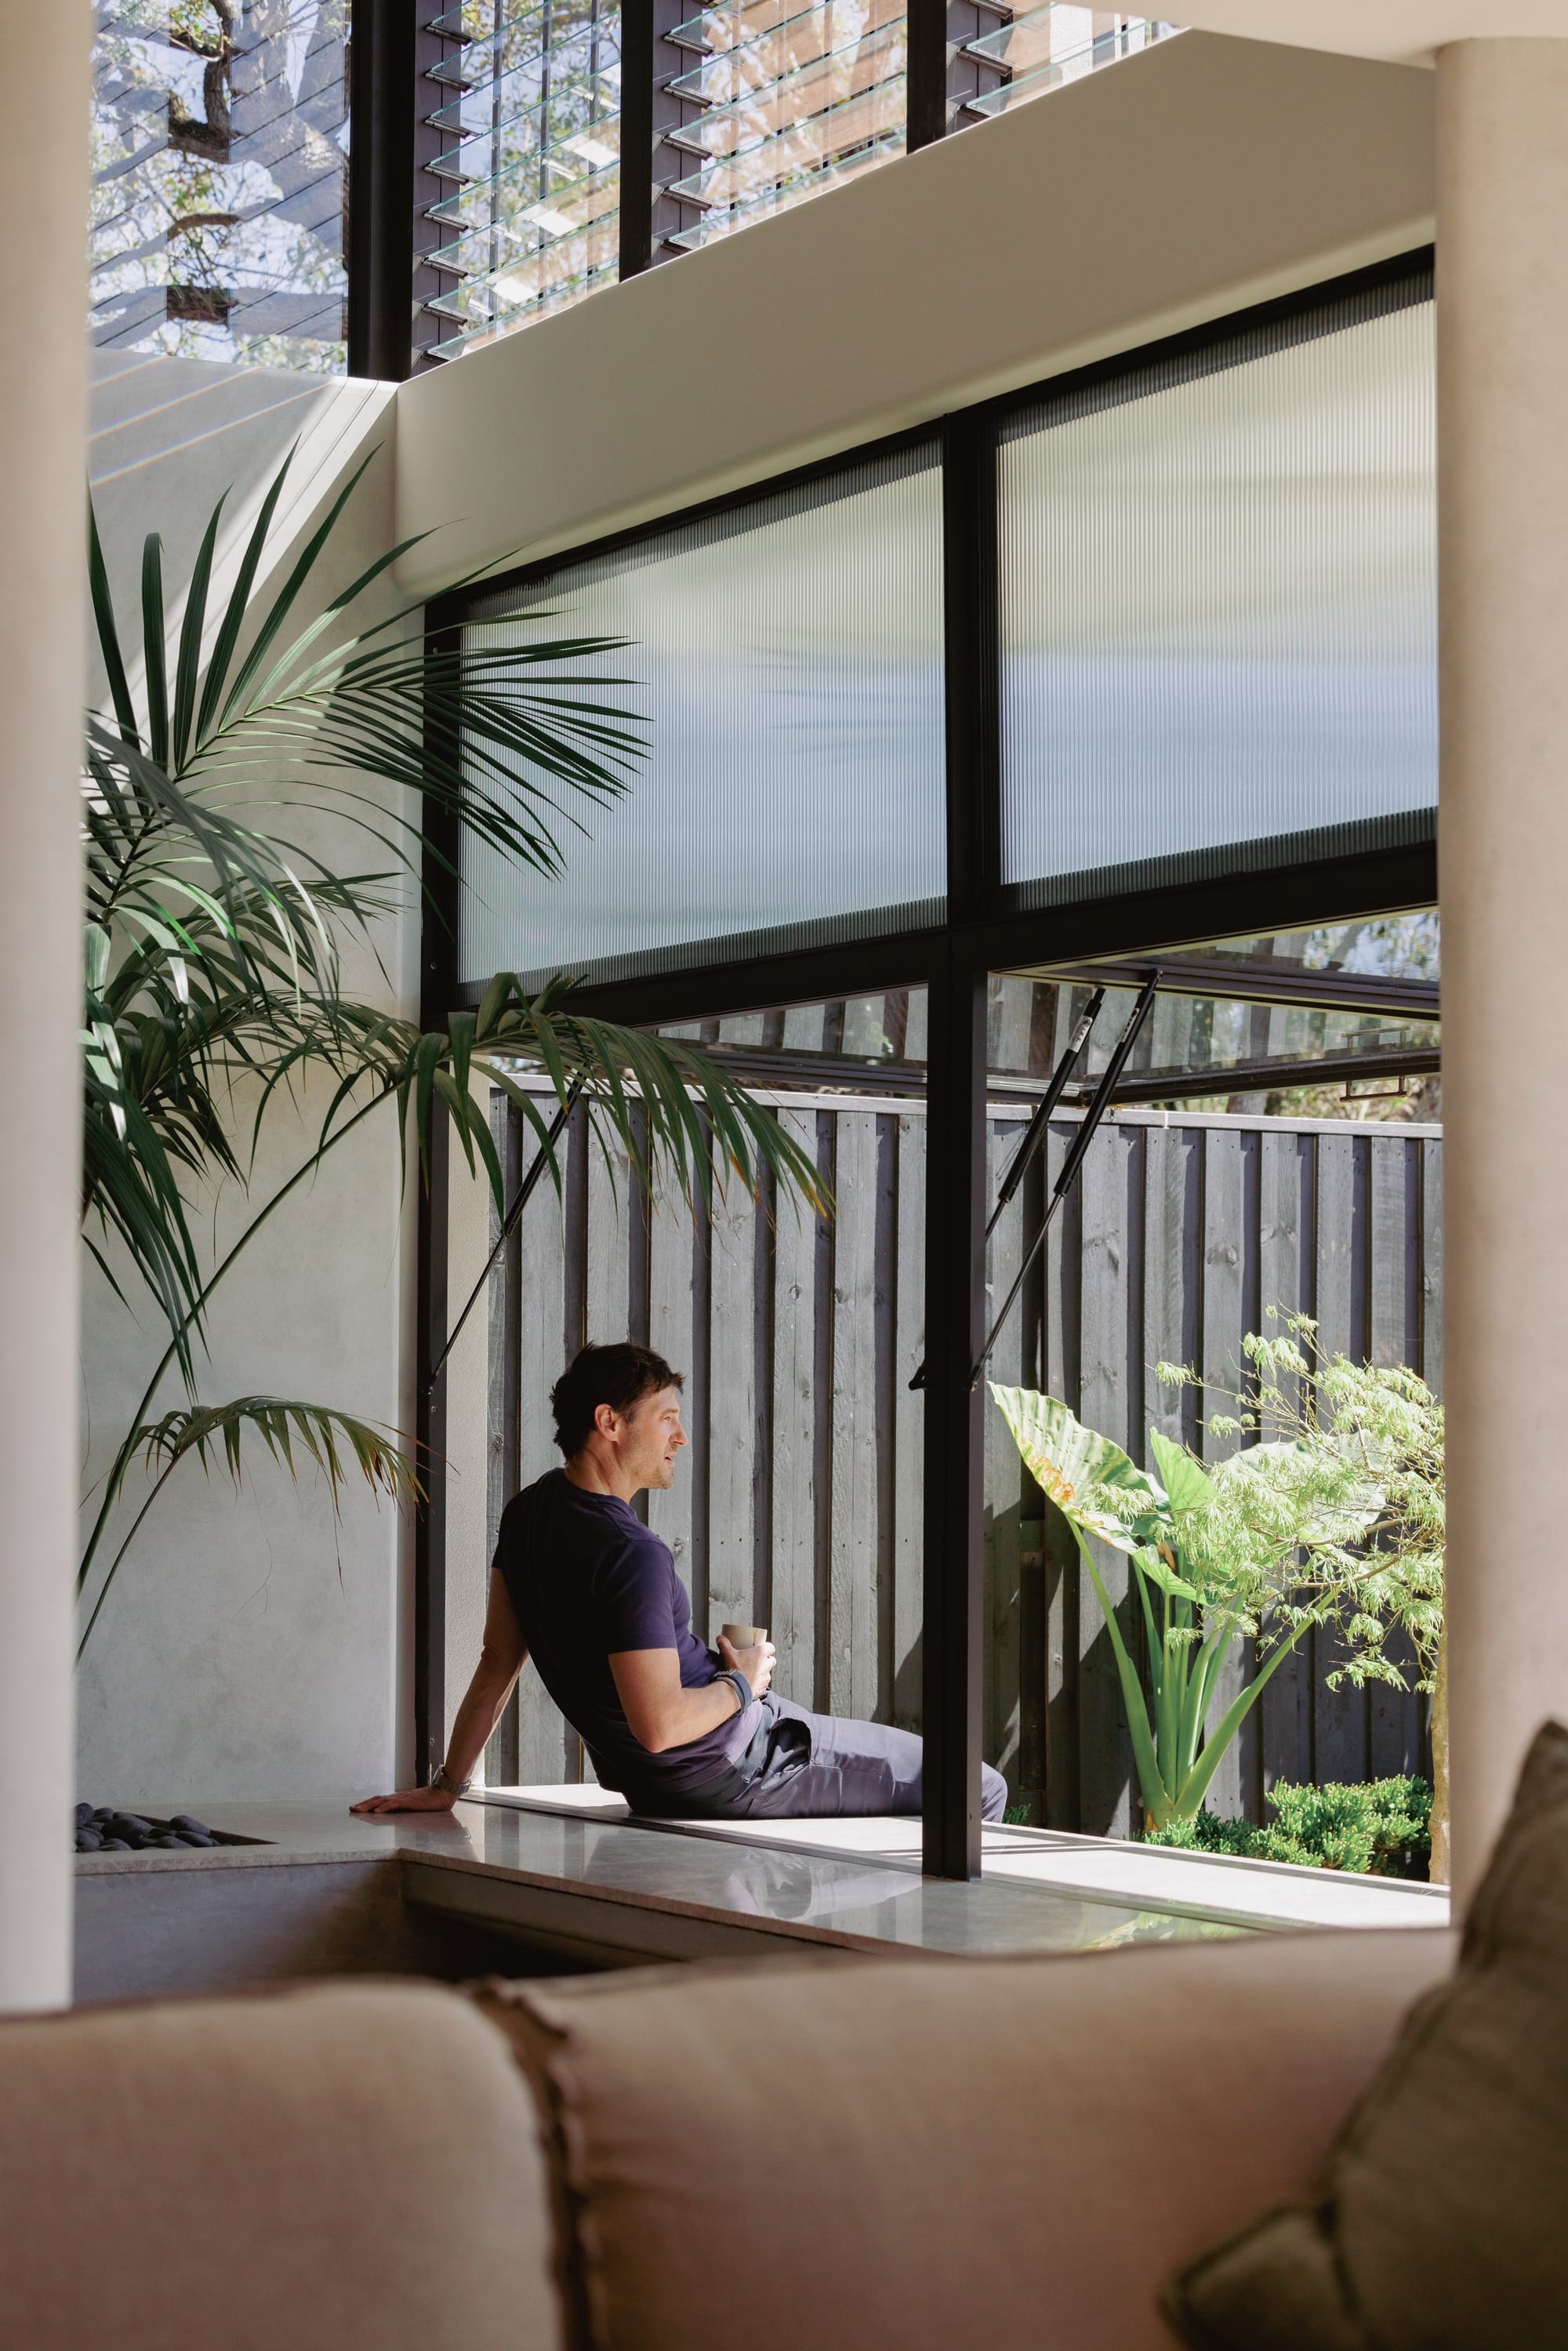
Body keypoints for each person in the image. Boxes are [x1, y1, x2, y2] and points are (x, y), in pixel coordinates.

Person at [353, 1341, 1009, 1825]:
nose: (681, 1436)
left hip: (669, 1781)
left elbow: (500, 1659)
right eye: (666, 1417)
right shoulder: (630, 1552)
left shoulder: (529, 1513)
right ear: (610, 1422)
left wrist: (448, 1784)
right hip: (737, 1762)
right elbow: (661, 1725)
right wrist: (743, 1679)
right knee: (977, 1787)